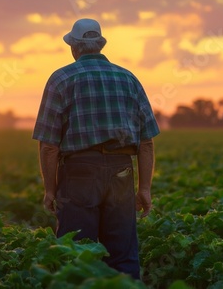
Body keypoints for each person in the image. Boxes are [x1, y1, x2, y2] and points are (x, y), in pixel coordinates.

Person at [32, 18, 159, 280]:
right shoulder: (128, 78)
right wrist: (144, 189)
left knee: (78, 255)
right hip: (121, 172)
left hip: (79, 173)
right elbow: (146, 142)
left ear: (74, 48)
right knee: (123, 256)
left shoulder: (61, 78)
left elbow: (49, 147)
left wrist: (50, 189)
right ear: (100, 46)